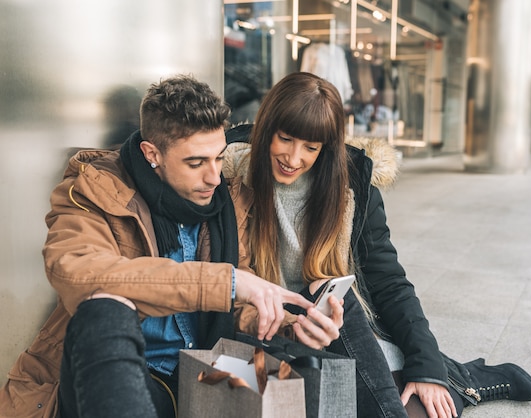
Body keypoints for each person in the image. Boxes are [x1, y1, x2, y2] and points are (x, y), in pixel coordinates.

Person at [223, 72, 531, 418]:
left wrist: (426, 366)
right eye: (284, 139)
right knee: (345, 404)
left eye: (311, 148)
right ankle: (464, 381)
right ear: (266, 127)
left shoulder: (350, 188)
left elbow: (388, 281)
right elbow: (221, 285)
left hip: (339, 328)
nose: (294, 158)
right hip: (267, 331)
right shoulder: (228, 177)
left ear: (326, 148)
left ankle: (453, 379)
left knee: (416, 397)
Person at [0, 74, 314, 418]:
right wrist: (226, 283)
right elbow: (78, 274)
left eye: (219, 158)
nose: (213, 177)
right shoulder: (93, 191)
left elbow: (237, 309)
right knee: (104, 309)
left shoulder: (227, 202)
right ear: (153, 154)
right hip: (128, 376)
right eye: (195, 163)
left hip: (207, 370)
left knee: (301, 381)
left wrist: (291, 326)